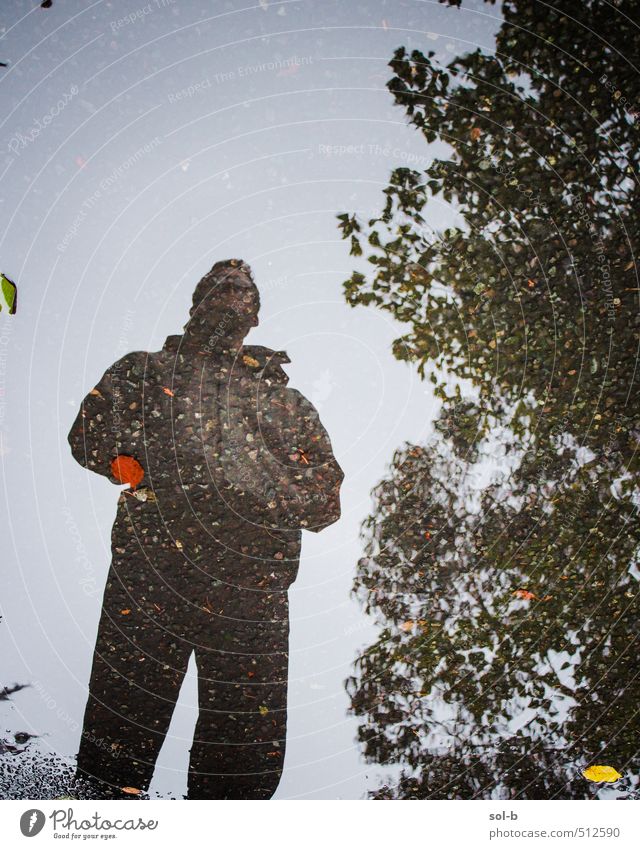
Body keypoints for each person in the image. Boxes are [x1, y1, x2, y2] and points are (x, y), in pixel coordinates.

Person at [68, 259, 343, 799]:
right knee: (114, 744)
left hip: (251, 590)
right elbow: (89, 432)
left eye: (242, 290)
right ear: (196, 304)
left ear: (255, 315)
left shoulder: (284, 403)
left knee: (241, 762)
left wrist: (250, 480)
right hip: (151, 575)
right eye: (218, 287)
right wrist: (134, 465)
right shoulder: (144, 371)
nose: (229, 295)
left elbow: (324, 499)